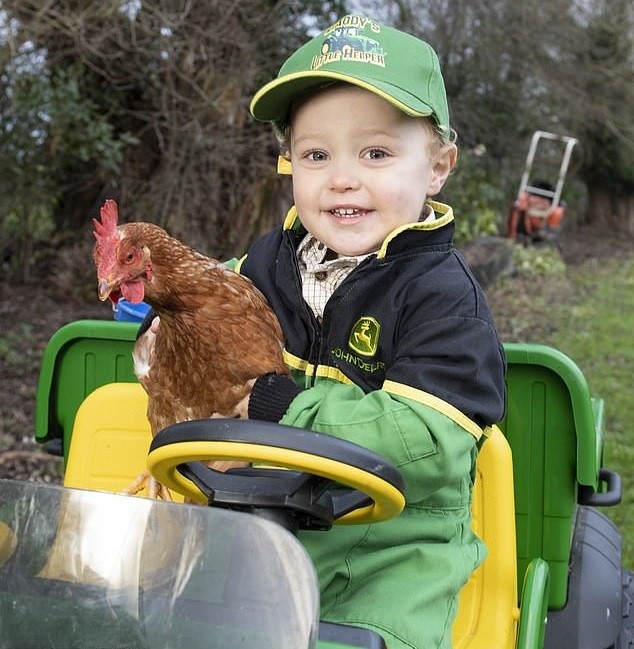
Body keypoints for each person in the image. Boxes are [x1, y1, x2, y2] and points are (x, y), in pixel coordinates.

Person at [142, 13, 506, 649]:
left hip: (388, 560)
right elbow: (199, 325)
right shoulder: (262, 265)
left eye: (376, 153)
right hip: (255, 534)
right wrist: (165, 328)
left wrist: (279, 407)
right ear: (289, 165)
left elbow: (430, 446)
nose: (342, 178)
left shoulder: (443, 300)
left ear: (439, 165)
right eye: (315, 154)